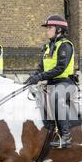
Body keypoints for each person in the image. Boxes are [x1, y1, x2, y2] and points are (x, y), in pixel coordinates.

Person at [24, 15, 75, 149]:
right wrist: (30, 79)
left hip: (65, 82)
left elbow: (60, 68)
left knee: (56, 97)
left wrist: (40, 77)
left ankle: (66, 135)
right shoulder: (47, 47)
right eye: (47, 28)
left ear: (59, 29)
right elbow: (40, 68)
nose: (47, 30)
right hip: (50, 83)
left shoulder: (65, 46)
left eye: (50, 28)